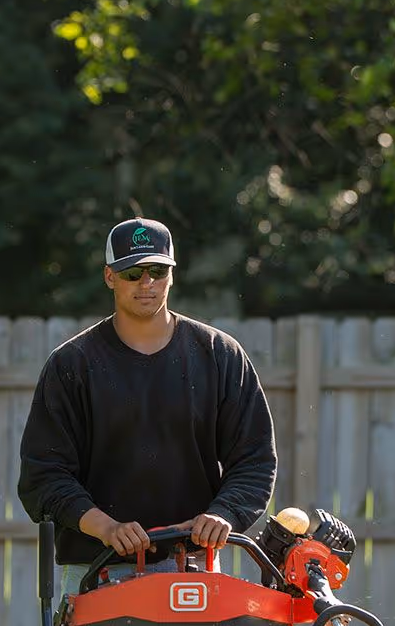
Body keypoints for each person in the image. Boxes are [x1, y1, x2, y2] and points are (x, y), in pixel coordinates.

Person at [17, 217, 277, 588]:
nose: (147, 283)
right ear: (109, 277)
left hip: (192, 568)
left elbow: (254, 458)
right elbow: (43, 476)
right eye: (133, 273)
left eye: (157, 270)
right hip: (96, 571)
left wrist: (223, 514)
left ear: (172, 273)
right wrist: (107, 528)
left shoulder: (220, 355)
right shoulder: (72, 364)